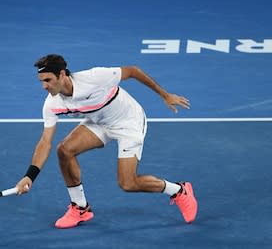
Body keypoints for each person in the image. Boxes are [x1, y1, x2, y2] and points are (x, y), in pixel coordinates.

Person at [15, 54, 197, 229]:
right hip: (99, 122)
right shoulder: (52, 104)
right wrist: (29, 176)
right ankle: (80, 208)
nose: (43, 86)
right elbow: (45, 142)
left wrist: (165, 95)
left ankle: (179, 190)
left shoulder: (95, 78)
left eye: (47, 80)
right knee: (64, 150)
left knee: (128, 183)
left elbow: (132, 71)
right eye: (41, 81)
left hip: (128, 122)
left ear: (62, 74)